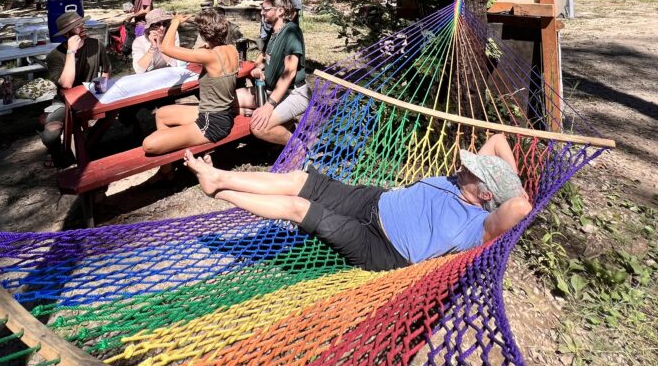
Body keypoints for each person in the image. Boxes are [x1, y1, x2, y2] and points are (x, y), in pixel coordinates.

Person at [183, 134, 532, 272]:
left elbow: (520, 207)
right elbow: (499, 140)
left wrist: (510, 188)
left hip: (381, 248)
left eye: (474, 170)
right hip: (374, 201)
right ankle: (220, 177)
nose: (464, 167)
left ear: (486, 195)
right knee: (300, 181)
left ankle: (219, 193)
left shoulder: (479, 227)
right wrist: (499, 176)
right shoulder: (459, 180)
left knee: (298, 208)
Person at [141, 9, 240, 157]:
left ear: (203, 34)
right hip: (219, 113)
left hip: (212, 123)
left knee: (148, 144)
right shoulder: (232, 49)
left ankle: (172, 151)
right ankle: (167, 168)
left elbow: (166, 48)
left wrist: (175, 22)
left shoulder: (208, 55)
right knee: (161, 114)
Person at [237, 0, 311, 145]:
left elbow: (290, 72)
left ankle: (299, 150)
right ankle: (285, 124)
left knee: (258, 127)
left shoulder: (291, 31)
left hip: (294, 94)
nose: (262, 13)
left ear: (280, 10)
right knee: (232, 98)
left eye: (266, 9)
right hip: (270, 89)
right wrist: (259, 69)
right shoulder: (273, 32)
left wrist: (269, 106)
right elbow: (267, 59)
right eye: (261, 8)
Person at [41, 11, 110, 167]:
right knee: (49, 136)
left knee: (113, 112)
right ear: (66, 33)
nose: (83, 26)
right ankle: (59, 157)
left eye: (82, 22)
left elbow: (106, 70)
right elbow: (66, 84)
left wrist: (103, 87)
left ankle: (86, 148)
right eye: (77, 25)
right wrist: (71, 52)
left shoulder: (96, 45)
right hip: (65, 102)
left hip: (94, 97)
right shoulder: (55, 56)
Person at [132, 8, 184, 73]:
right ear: (149, 28)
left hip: (169, 72)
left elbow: (176, 63)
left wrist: (159, 46)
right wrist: (153, 47)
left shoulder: (172, 34)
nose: (162, 28)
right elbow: (139, 70)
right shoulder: (139, 42)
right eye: (157, 25)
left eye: (165, 24)